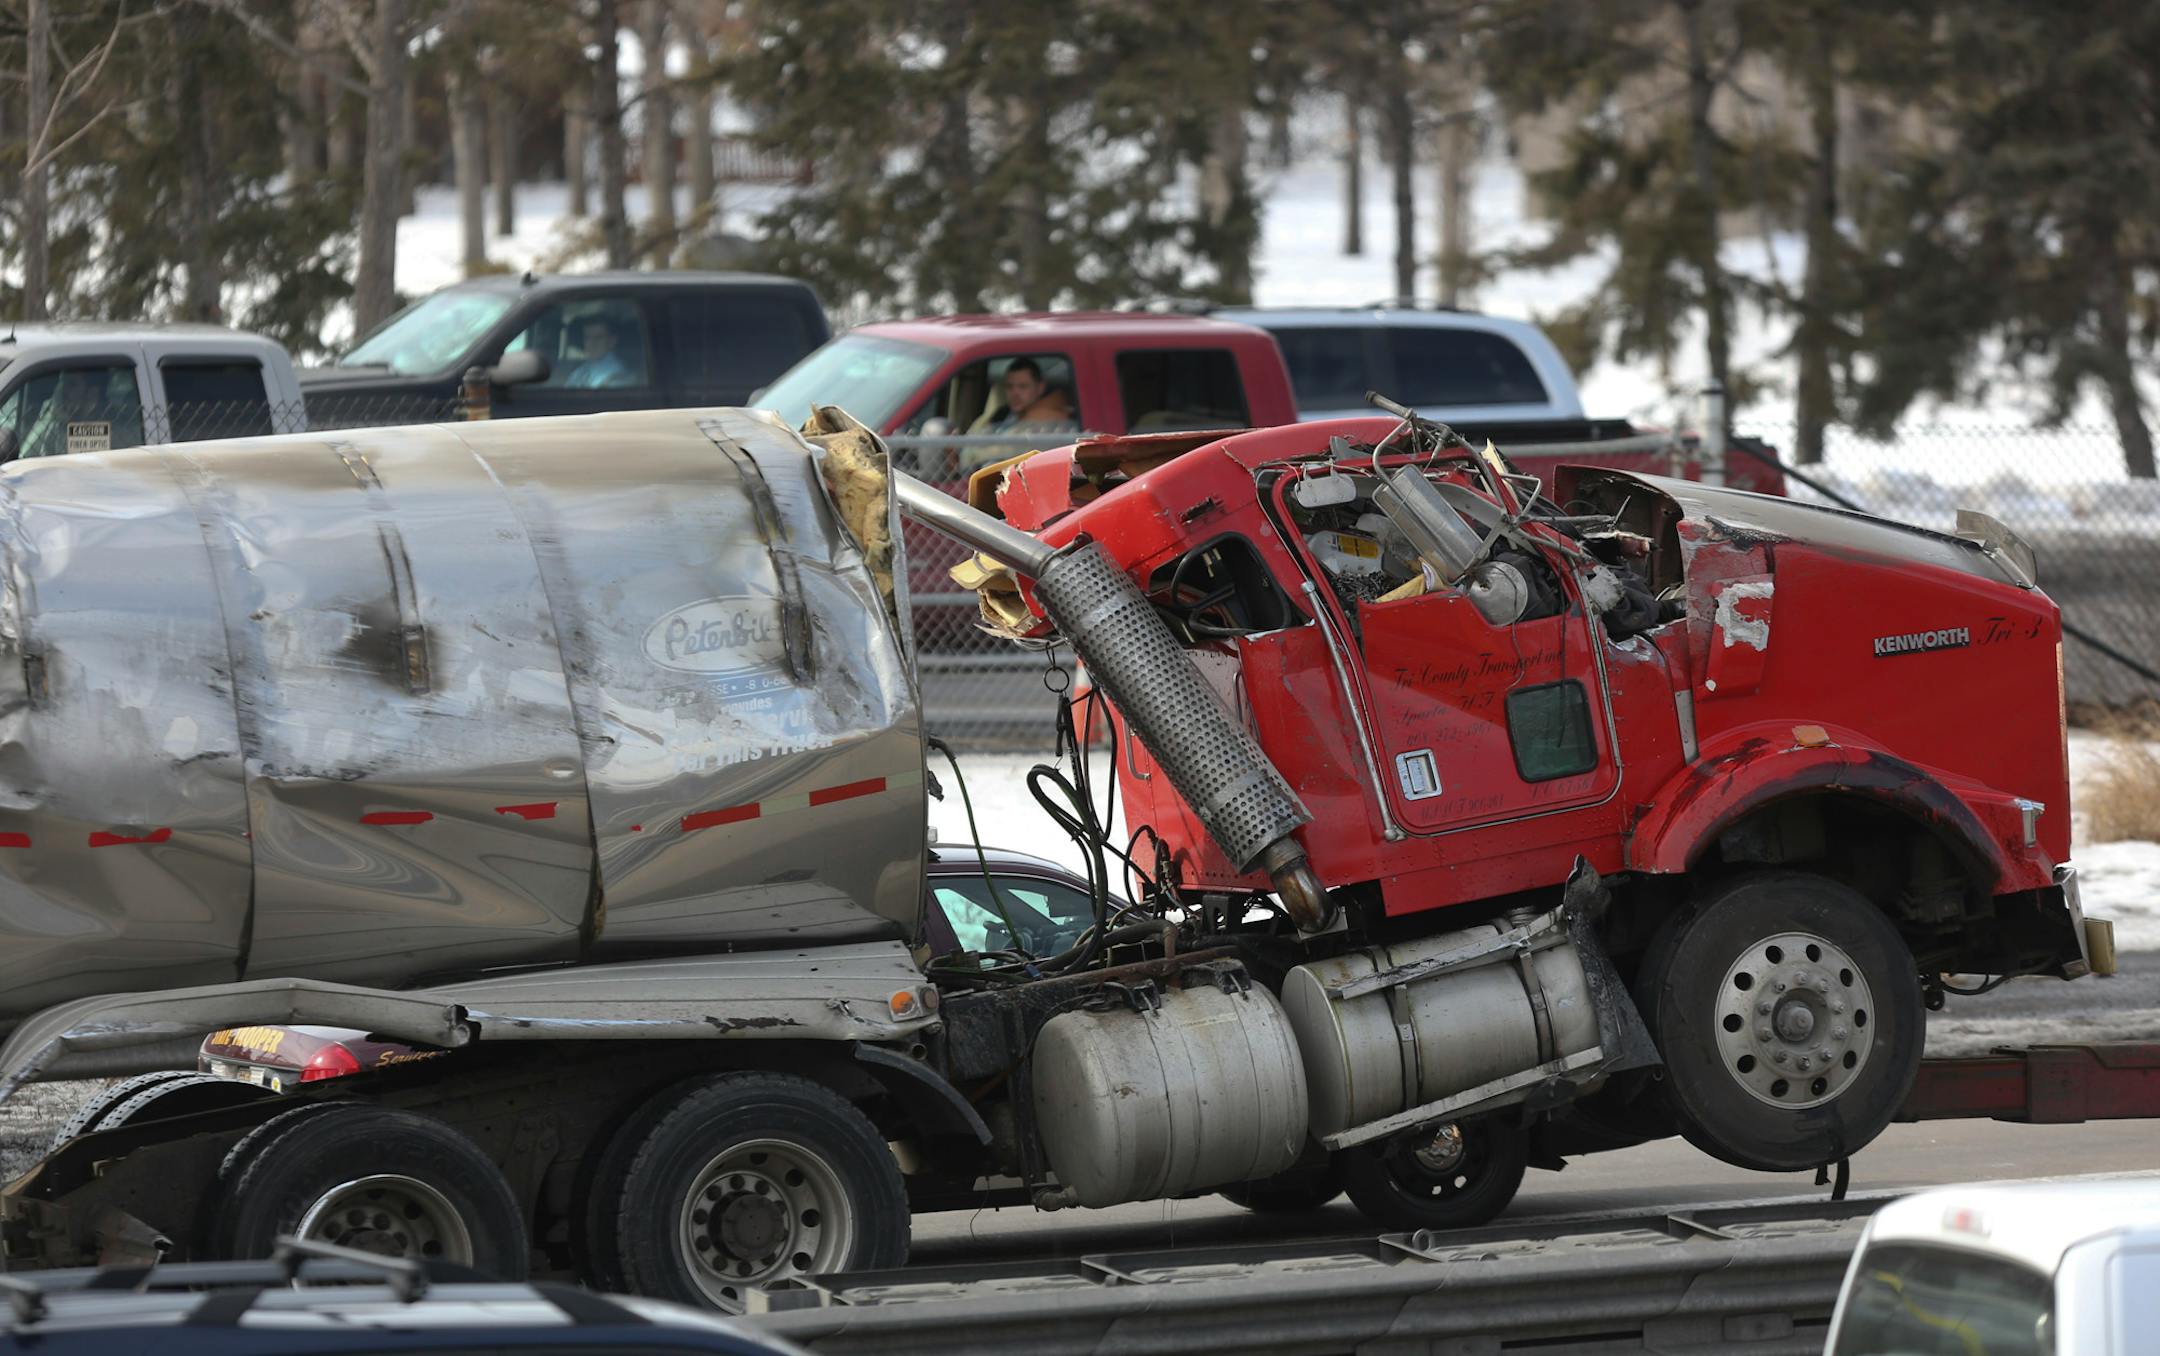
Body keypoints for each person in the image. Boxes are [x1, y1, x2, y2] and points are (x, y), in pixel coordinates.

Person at [988, 358, 1075, 431]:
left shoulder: (1053, 421)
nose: (1014, 393)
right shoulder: (1000, 415)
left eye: (1023, 386)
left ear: (1040, 388)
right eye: (1009, 386)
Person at [567, 316, 636, 389]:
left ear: (612, 341)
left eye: (598, 338)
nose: (591, 343)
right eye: (587, 337)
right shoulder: (581, 370)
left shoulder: (619, 375)